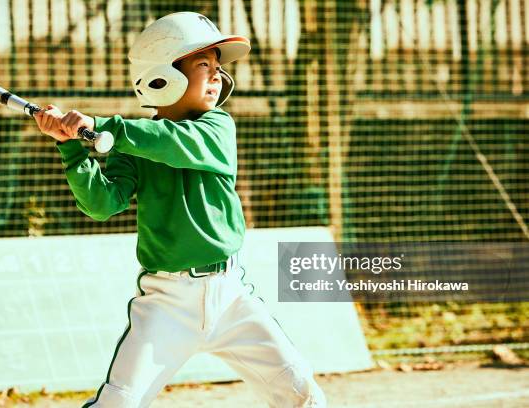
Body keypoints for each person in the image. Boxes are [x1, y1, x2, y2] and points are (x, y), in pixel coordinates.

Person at [34, 12, 326, 408]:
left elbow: (172, 142)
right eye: (203, 65)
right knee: (117, 403)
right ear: (162, 73)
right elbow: (101, 204)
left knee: (301, 393)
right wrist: (69, 145)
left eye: (218, 68)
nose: (217, 76)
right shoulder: (134, 142)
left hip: (230, 298)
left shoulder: (216, 128)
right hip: (167, 302)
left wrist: (103, 125)